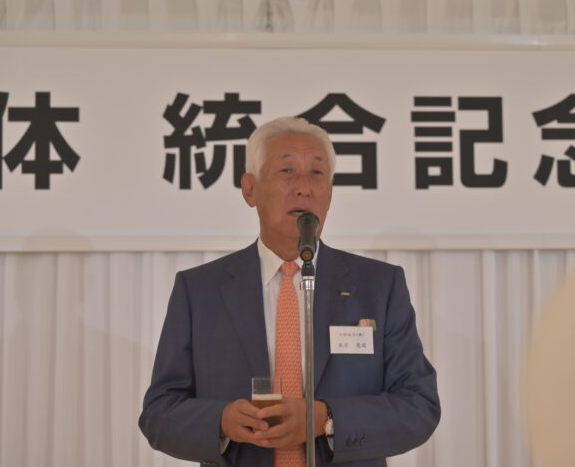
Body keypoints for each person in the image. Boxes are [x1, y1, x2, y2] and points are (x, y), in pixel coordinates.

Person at [139, 117, 440, 467]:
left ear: (330, 192)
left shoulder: (379, 286)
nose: (304, 188)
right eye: (286, 172)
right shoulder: (199, 291)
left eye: (317, 173)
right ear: (249, 189)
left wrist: (327, 419)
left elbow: (419, 406)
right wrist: (220, 421)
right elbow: (159, 413)